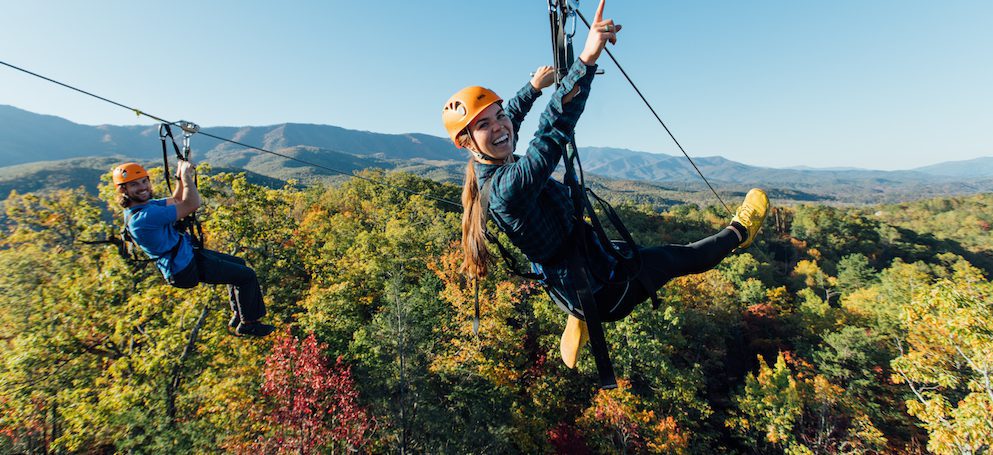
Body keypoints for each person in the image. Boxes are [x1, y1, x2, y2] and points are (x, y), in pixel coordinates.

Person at [441, 0, 769, 367]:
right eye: (483, 126)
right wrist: (586, 60)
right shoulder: (507, 188)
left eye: (498, 116)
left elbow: (510, 119)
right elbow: (552, 132)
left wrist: (532, 88)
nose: (500, 127)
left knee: (622, 248)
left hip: (573, 267)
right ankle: (740, 231)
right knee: (681, 257)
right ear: (466, 143)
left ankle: (577, 315)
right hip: (601, 289)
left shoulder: (487, 166)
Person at [112, 161, 276, 338]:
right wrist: (187, 176)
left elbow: (177, 200)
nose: (142, 187)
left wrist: (180, 173)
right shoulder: (144, 217)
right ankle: (249, 324)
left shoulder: (144, 207)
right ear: (123, 190)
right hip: (183, 267)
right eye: (134, 184)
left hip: (187, 256)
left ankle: (240, 314)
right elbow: (191, 203)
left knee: (239, 265)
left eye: (144, 181)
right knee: (247, 275)